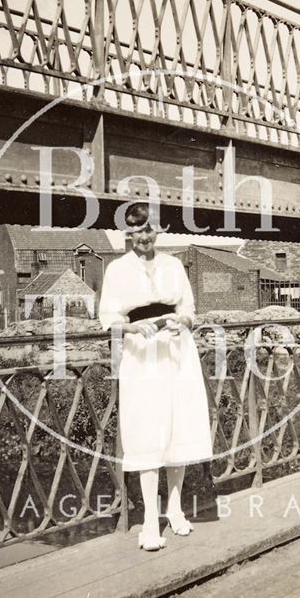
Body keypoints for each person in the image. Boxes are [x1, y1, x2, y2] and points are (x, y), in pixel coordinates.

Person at [99, 203, 213, 551]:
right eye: (136, 230)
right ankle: (150, 521)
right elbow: (108, 316)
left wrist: (184, 322)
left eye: (150, 229)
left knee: (178, 425)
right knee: (147, 430)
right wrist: (133, 326)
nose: (144, 236)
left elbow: (190, 309)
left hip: (178, 351)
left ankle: (175, 509)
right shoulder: (117, 270)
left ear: (159, 230)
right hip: (141, 354)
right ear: (128, 233)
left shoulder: (174, 265)